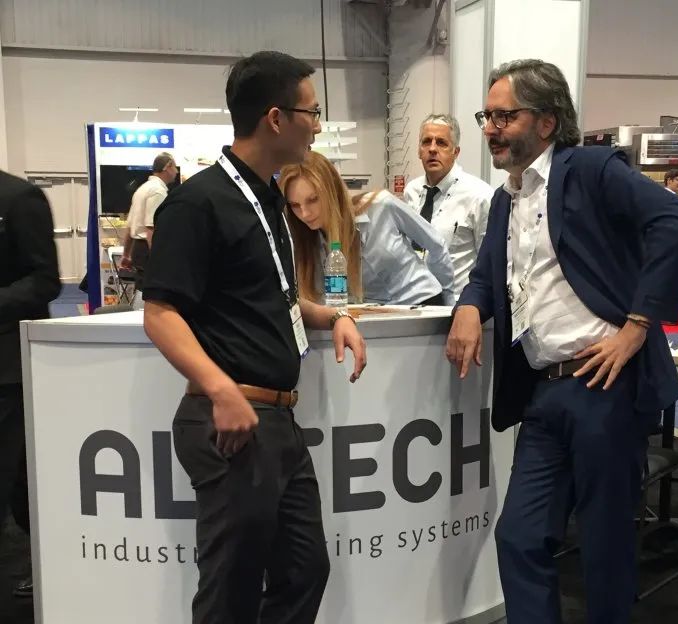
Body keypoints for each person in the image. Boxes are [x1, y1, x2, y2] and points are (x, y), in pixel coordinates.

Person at [445, 59, 678, 624]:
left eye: (505, 116)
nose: (491, 129)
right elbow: (487, 274)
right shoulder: (506, 199)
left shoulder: (589, 169)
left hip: (602, 385)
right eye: (487, 116)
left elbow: (675, 219)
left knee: (605, 547)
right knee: (519, 536)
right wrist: (469, 307)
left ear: (547, 121)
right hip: (542, 392)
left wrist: (637, 326)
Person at [141, 51, 367, 624]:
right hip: (232, 421)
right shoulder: (197, 203)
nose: (317, 125)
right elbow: (160, 314)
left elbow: (277, 300)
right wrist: (220, 389)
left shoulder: (267, 197)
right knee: (232, 591)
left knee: (304, 570)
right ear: (275, 118)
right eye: (311, 112)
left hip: (279, 421)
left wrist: (333, 317)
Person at [281, 150, 454, 306]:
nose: (305, 213)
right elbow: (329, 299)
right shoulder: (309, 246)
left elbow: (436, 244)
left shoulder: (380, 206)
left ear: (332, 191)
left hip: (425, 302)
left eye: (313, 200)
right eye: (295, 205)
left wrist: (448, 305)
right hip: (378, 316)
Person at [0, 170, 61, 598]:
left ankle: (49, 565)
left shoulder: (18, 199)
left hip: (9, 372)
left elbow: (44, 281)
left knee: (22, 478)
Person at [403, 114, 494, 299]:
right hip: (413, 303)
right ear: (419, 151)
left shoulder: (479, 195)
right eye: (426, 142)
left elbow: (490, 265)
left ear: (456, 152)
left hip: (457, 305)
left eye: (441, 143)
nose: (432, 149)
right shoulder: (411, 191)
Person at [119, 152, 178, 304]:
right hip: (148, 248)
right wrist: (157, 257)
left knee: (142, 287)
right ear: (167, 167)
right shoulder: (158, 191)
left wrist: (126, 254)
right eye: (175, 167)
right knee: (152, 293)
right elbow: (151, 227)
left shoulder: (142, 189)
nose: (176, 172)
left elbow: (129, 226)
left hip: (138, 248)